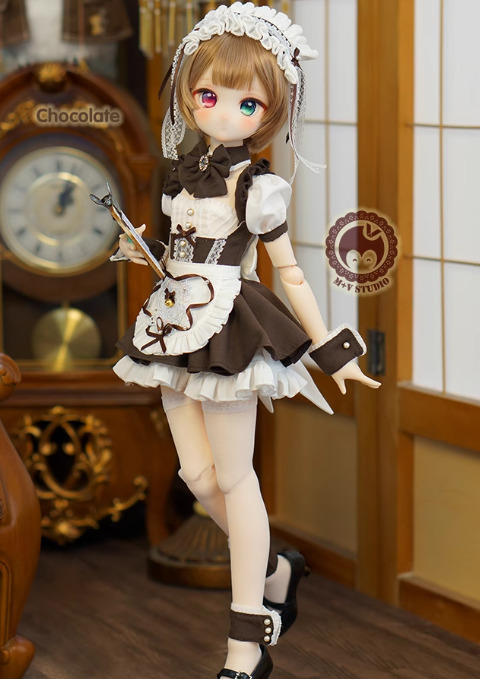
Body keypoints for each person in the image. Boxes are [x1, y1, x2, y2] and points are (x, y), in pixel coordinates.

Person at [112, 4, 380, 678]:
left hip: (230, 327)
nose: (226, 112)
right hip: (174, 324)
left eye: (248, 103)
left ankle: (246, 644)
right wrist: (143, 251)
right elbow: (181, 253)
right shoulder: (180, 174)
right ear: (188, 94)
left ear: (270, 112)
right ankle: (274, 571)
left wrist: (331, 353)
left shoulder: (259, 188)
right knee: (197, 477)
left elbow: (290, 272)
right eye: (209, 96)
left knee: (235, 477)